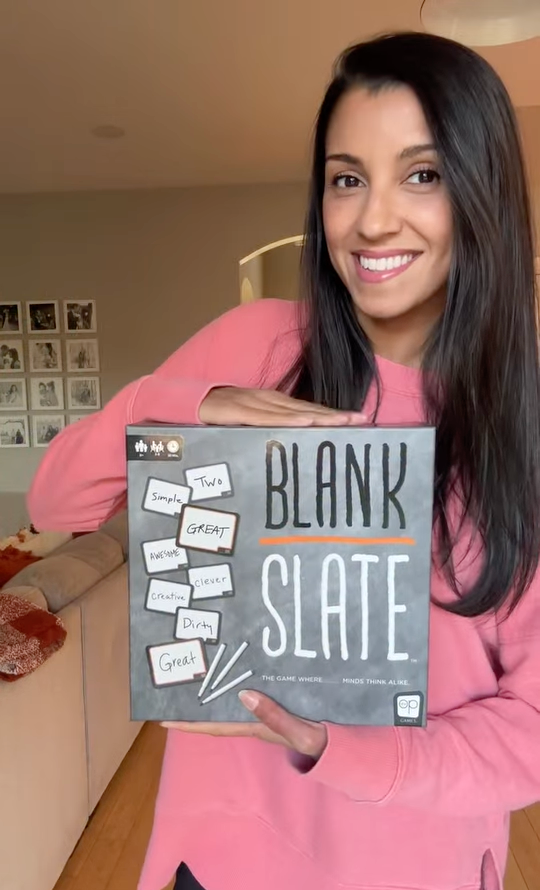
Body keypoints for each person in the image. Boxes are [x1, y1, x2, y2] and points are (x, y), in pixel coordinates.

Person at [27, 30, 540, 890]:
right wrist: (184, 404)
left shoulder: (518, 429)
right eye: (347, 178)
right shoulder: (256, 343)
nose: (374, 219)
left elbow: (531, 730)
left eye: (423, 173)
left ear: (482, 190)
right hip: (219, 860)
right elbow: (52, 503)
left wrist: (339, 749)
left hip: (420, 867)